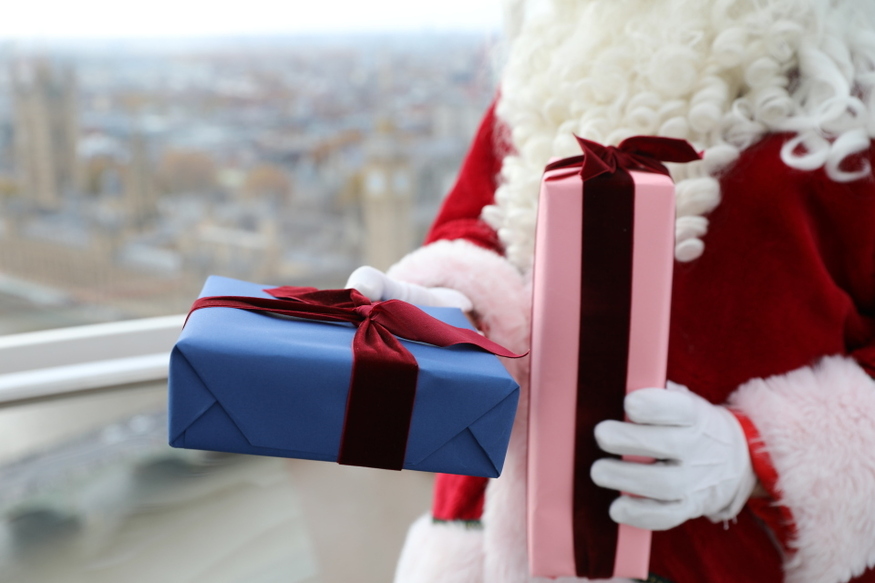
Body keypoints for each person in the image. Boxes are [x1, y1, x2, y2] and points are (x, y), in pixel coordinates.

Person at [347, 0, 875, 581]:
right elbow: (478, 223)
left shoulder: (858, 80)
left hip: (730, 554)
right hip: (505, 539)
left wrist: (757, 454)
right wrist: (455, 300)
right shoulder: (562, 50)